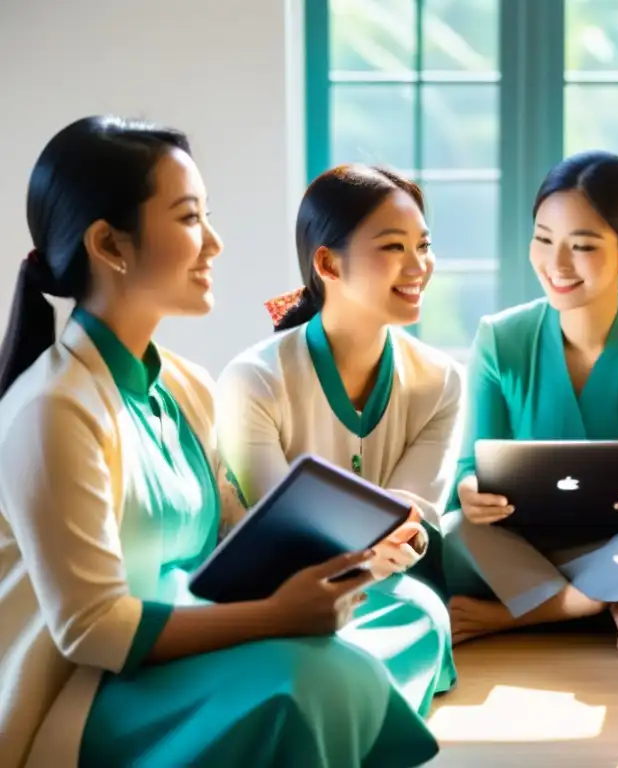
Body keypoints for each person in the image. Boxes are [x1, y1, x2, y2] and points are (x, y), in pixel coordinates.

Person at [0, 117, 439, 768]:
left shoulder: (185, 384)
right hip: (93, 692)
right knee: (322, 681)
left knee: (412, 614)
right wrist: (279, 618)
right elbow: (91, 631)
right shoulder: (51, 408)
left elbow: (236, 533)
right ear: (109, 244)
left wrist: (354, 555)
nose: (215, 243)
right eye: (188, 219)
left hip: (186, 641)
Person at [442, 150, 618, 649]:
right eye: (543, 239)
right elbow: (468, 466)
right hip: (516, 546)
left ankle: (520, 615)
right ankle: (592, 605)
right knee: (456, 531)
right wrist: (469, 490)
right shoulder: (499, 338)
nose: (556, 264)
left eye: (583, 246)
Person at [216, 164, 460, 716]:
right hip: (272, 596)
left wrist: (394, 542)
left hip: (384, 593)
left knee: (424, 614)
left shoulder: (442, 381)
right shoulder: (253, 379)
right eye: (393, 247)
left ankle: (336, 707)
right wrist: (376, 537)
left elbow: (411, 520)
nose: (418, 265)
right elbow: (281, 534)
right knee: (307, 663)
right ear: (328, 263)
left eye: (423, 245)